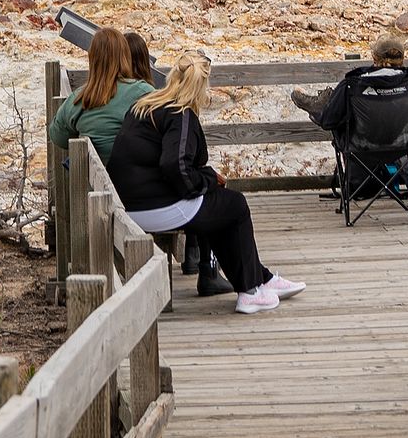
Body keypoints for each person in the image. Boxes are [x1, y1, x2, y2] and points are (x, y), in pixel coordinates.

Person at [109, 58, 303, 314]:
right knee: (235, 205)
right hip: (157, 208)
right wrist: (206, 181)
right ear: (199, 87)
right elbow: (173, 166)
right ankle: (250, 291)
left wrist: (206, 182)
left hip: (130, 205)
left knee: (218, 206)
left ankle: (261, 279)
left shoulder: (144, 106)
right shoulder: (181, 113)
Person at [48, 27, 158, 168]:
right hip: (133, 183)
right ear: (125, 56)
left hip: (91, 185)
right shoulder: (144, 92)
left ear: (92, 59)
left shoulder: (79, 97)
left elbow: (58, 138)